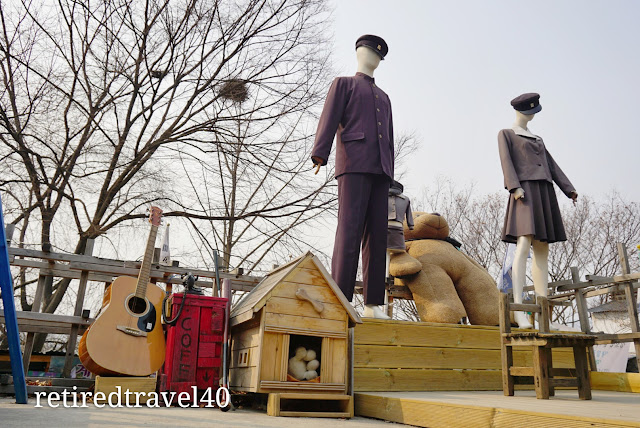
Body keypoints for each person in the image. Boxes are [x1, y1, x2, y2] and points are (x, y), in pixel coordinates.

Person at [311, 35, 393, 319]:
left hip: (381, 169)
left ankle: (373, 304)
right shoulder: (343, 84)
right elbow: (329, 118)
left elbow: (389, 138)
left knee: (377, 237)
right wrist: (320, 153)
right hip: (354, 162)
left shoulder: (385, 97)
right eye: (370, 52)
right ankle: (341, 299)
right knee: (349, 231)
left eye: (378, 55)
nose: (374, 58)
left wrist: (390, 171)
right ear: (359, 52)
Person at [498, 92, 578, 328]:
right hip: (524, 192)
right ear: (519, 111)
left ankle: (543, 315)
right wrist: (514, 187)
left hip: (544, 192)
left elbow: (552, 165)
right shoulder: (506, 134)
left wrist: (569, 189)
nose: (532, 115)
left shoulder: (538, 139)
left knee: (543, 249)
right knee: (523, 244)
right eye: (529, 111)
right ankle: (519, 311)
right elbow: (506, 162)